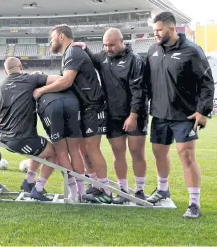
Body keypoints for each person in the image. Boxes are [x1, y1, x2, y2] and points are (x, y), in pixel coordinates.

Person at [144, 12, 214, 218]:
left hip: (185, 115)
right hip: (159, 114)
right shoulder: (152, 50)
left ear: (172, 29)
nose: (155, 34)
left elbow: (207, 83)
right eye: (154, 30)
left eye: (159, 30)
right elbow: (147, 82)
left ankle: (194, 203)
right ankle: (163, 190)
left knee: (187, 156)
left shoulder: (192, 51)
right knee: (159, 153)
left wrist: (203, 111)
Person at [34, 24, 111, 203]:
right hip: (83, 107)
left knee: (92, 149)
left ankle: (105, 190)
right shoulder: (68, 54)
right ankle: (95, 183)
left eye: (52, 38)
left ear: (61, 36)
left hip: (92, 106)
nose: (51, 41)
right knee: (84, 150)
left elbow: (66, 82)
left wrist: (40, 91)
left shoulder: (73, 53)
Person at [74, 28, 148, 204]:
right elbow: (91, 58)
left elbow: (139, 91)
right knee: (118, 153)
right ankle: (123, 191)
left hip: (135, 113)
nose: (108, 48)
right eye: (105, 45)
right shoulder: (103, 57)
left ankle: (139, 191)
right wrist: (84, 47)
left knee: (137, 152)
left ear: (122, 41)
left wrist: (133, 115)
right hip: (112, 114)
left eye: (112, 44)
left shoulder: (135, 60)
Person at [0, 57, 62, 201]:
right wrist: (41, 89)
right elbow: (61, 79)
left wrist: (0, 134)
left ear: (5, 71)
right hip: (22, 139)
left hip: (6, 139)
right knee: (54, 153)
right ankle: (38, 189)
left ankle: (29, 182)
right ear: (21, 67)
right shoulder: (31, 79)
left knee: (39, 148)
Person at [31, 70, 85, 201]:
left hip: (51, 106)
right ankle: (82, 193)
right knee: (75, 151)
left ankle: (73, 192)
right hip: (71, 102)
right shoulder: (57, 80)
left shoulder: (33, 86)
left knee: (61, 151)